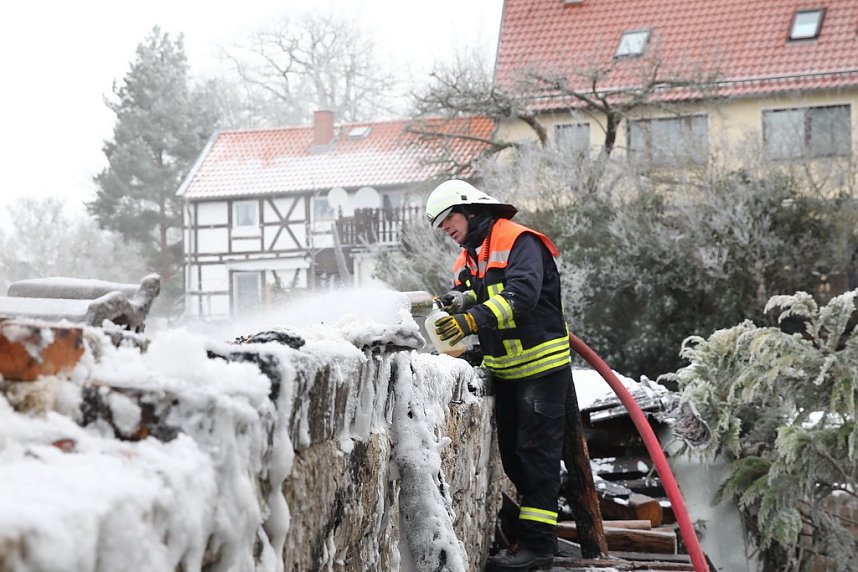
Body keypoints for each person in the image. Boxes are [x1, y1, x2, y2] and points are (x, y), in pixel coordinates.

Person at [425, 179, 575, 571]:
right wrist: (456, 301)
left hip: (541, 371)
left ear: (470, 210)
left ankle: (538, 548)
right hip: (505, 372)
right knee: (515, 460)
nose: (445, 229)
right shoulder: (472, 254)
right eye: (440, 225)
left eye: (448, 219)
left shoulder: (518, 241)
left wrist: (469, 321)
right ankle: (533, 538)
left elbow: (521, 295)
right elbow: (476, 290)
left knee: (537, 457)